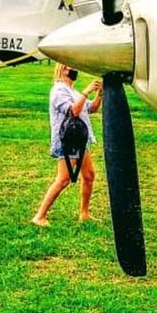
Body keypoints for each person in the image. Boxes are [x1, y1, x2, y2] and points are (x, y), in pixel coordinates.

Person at [31, 63, 103, 227]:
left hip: (80, 139)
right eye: (71, 67)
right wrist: (86, 92)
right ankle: (39, 216)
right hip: (68, 141)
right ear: (63, 70)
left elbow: (91, 108)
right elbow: (73, 111)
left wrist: (99, 95)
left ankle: (84, 213)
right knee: (63, 179)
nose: (74, 70)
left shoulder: (72, 91)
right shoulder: (58, 90)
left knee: (89, 176)